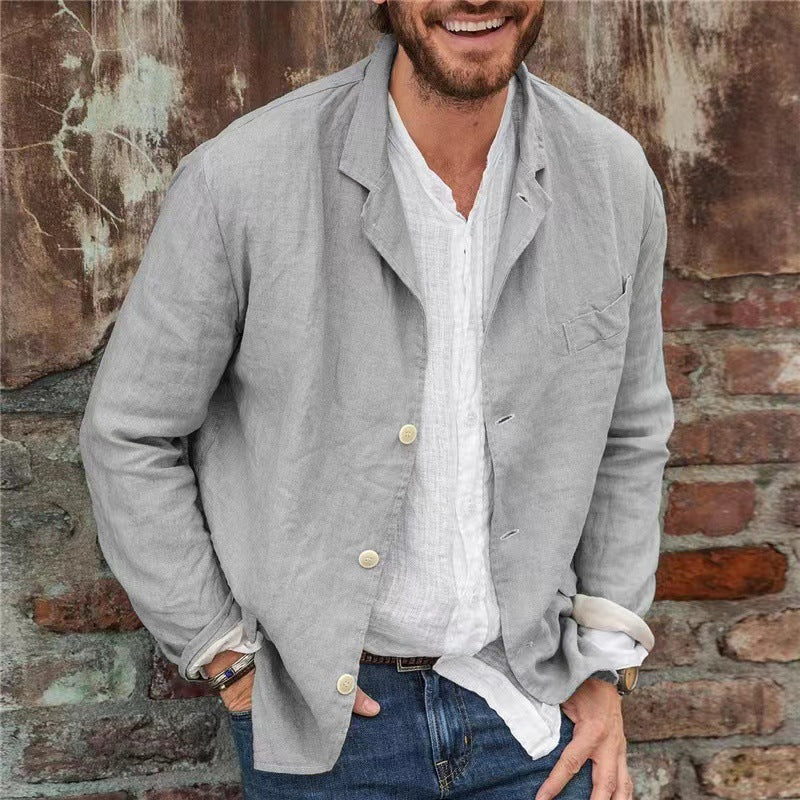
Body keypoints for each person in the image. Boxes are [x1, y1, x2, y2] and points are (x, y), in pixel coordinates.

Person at [78, 1, 674, 798]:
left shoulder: (612, 176)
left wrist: (605, 666)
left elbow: (630, 431)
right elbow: (129, 433)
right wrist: (225, 657)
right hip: (331, 735)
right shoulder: (244, 177)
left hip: (538, 714)